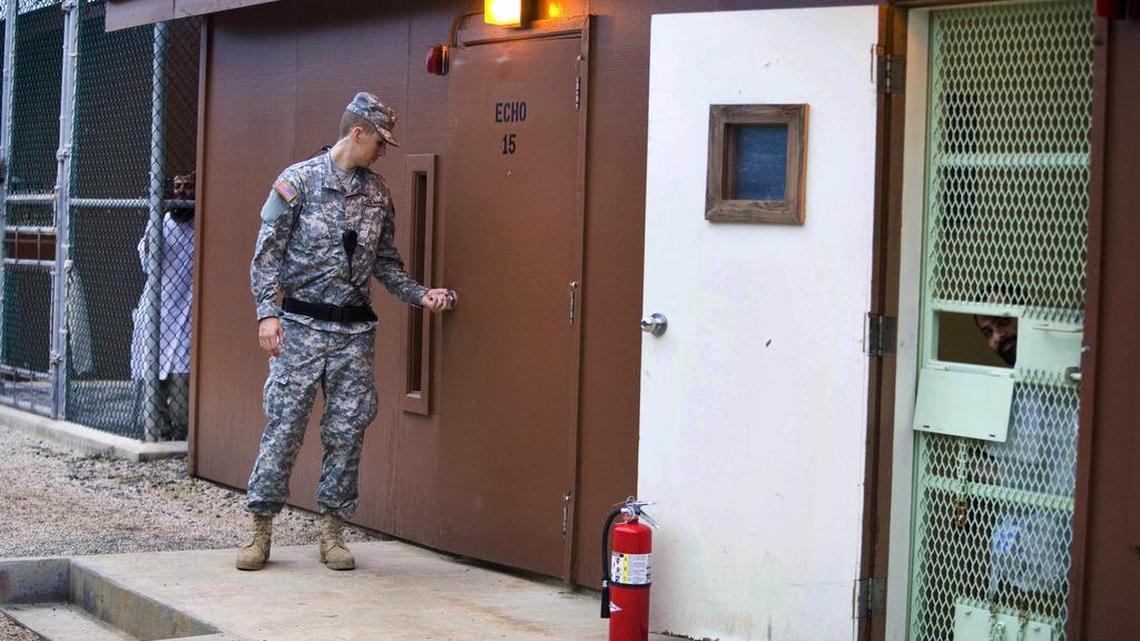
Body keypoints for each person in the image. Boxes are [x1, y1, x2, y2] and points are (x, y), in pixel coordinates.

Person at [238, 92, 453, 572]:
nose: (383, 152)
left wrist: (420, 294)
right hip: (298, 327)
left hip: (353, 334)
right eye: (380, 142)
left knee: (347, 430)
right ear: (357, 133)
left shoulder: (377, 194)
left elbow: (386, 264)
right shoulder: (298, 182)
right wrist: (266, 314)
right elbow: (266, 253)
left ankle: (333, 532)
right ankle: (260, 529)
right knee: (285, 426)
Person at [975, 299, 1076, 616]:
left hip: (1068, 534)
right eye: (988, 332)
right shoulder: (1009, 387)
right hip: (1023, 543)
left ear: (1025, 316)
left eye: (1002, 323)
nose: (996, 338)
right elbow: (1007, 464)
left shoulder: (1070, 370)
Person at [130, 172, 196, 440]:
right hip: (157, 311)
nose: (181, 193)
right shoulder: (161, 224)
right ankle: (159, 434)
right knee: (151, 383)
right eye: (177, 187)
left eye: (188, 187)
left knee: (182, 397)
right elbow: (147, 262)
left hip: (185, 314)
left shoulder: (203, 225)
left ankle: (182, 437)